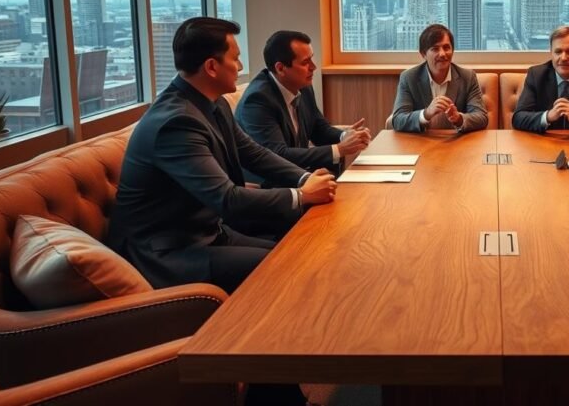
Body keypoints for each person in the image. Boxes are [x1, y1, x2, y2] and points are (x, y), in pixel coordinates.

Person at [108, 17, 337, 296]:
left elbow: (253, 152)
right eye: (236, 58)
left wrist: (305, 177)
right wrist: (302, 195)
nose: (241, 67)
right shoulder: (175, 123)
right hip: (169, 251)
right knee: (287, 264)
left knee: (296, 252)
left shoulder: (211, 104)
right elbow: (227, 198)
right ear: (212, 67)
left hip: (206, 231)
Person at [236, 30, 371, 181]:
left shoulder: (302, 85)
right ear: (280, 68)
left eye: (312, 59)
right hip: (270, 184)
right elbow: (278, 154)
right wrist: (339, 149)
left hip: (299, 173)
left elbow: (319, 129)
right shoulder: (257, 100)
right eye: (305, 62)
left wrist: (345, 135)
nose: (313, 67)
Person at [390, 23, 488, 133]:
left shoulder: (468, 77)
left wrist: (459, 119)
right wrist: (426, 114)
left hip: (457, 143)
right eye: (435, 49)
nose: (442, 54)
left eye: (446, 47)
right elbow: (398, 120)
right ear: (423, 54)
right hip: (420, 142)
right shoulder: (409, 78)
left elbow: (482, 117)